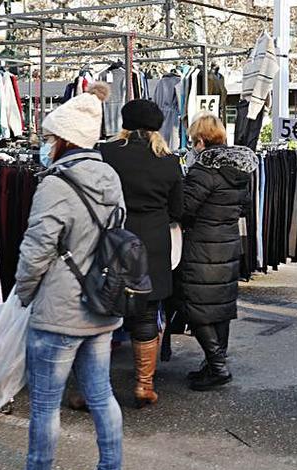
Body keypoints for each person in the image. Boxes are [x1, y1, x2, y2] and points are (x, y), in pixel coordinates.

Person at [0, 83, 127, 470]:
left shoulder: (56, 184)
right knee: (102, 396)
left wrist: (22, 292)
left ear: (64, 139)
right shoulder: (110, 175)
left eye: (51, 137)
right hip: (103, 302)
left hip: (59, 309)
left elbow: (37, 249)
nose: (46, 144)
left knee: (45, 407)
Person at [99, 99, 183, 408]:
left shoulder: (106, 154)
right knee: (147, 313)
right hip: (152, 244)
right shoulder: (169, 160)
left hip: (113, 240)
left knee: (102, 311)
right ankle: (143, 386)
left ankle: (90, 388)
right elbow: (178, 210)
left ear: (125, 122)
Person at [181, 111, 257, 392]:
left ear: (201, 140)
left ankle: (217, 366)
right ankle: (214, 363)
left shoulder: (203, 170)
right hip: (227, 242)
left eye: (193, 140)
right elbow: (245, 207)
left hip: (203, 244)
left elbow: (186, 208)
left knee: (196, 303)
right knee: (220, 306)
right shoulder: (238, 170)